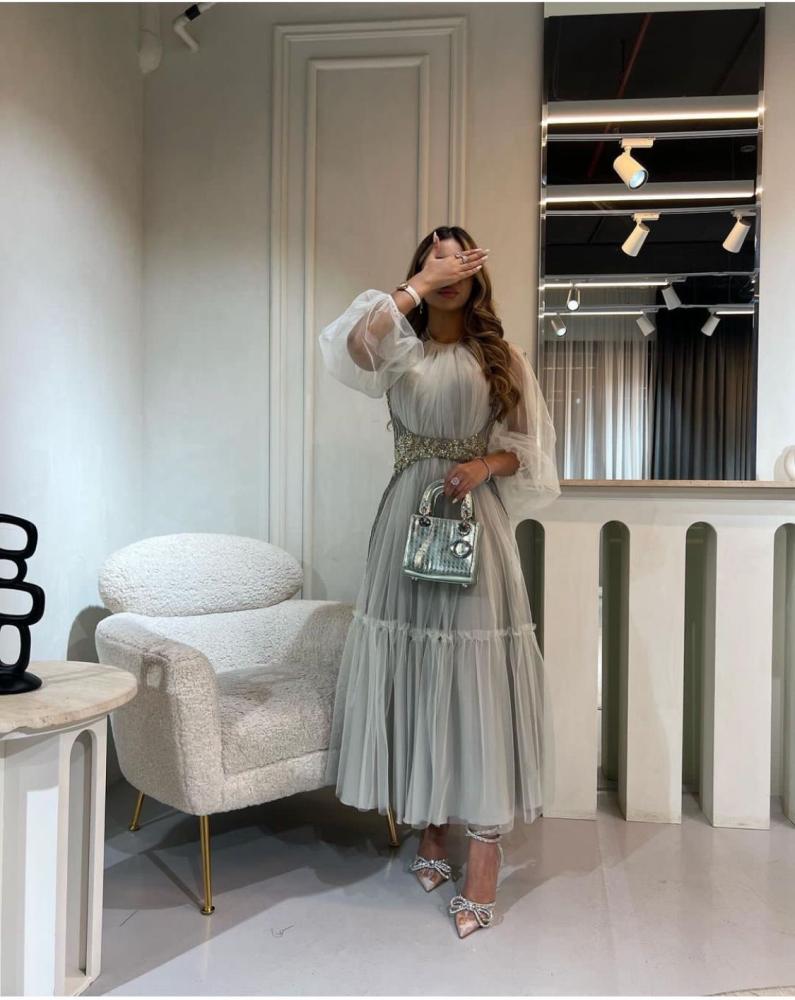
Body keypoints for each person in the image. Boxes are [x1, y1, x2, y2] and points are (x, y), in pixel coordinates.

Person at [317, 225, 561, 939]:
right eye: (437, 259)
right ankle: (430, 825)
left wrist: (484, 465)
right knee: (420, 670)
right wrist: (416, 289)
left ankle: (483, 848)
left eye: (461, 259)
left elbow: (528, 452)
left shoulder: (502, 356)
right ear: (421, 270)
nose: (450, 270)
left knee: (474, 676)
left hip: (472, 519)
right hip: (407, 519)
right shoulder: (398, 345)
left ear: (478, 274)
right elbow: (353, 346)